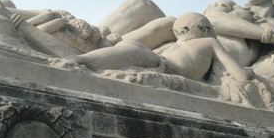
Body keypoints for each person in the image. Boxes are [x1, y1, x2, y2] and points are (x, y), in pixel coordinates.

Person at [69, 12, 251, 83]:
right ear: (205, 29)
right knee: (130, 45)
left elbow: (239, 74)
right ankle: (82, 60)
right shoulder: (180, 45)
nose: (179, 36)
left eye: (181, 31)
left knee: (134, 50)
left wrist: (247, 73)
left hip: (168, 67)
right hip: (161, 62)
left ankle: (80, 60)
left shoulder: (209, 42)